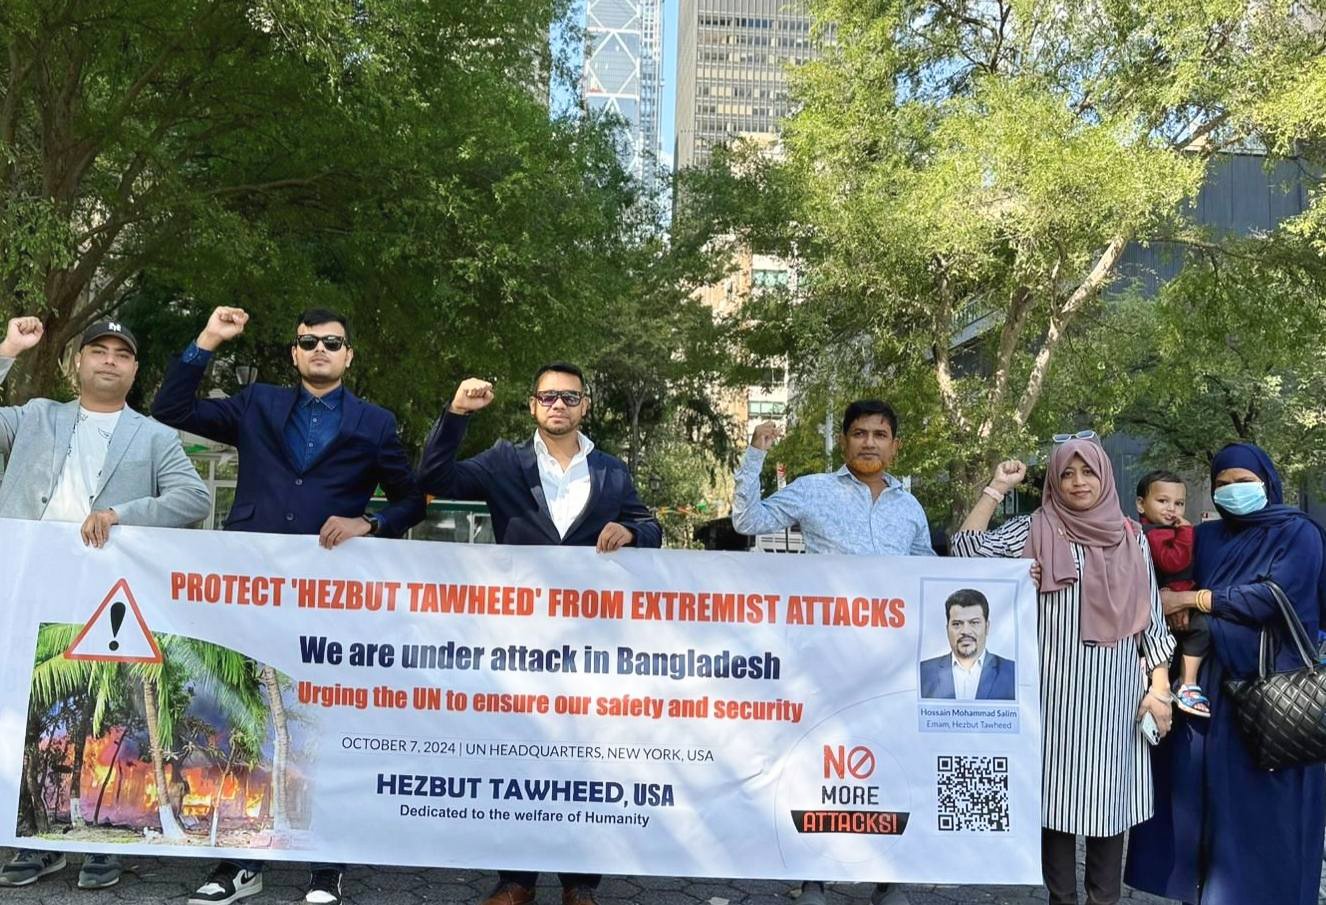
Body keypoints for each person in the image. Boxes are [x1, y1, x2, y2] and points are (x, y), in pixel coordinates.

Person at [152, 306, 425, 905]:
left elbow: (412, 500)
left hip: (329, 594)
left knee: (320, 719)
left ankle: (326, 865)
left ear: (349, 355)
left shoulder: (375, 423)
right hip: (248, 586)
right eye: (308, 342)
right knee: (238, 715)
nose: (320, 349)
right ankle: (234, 863)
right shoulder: (257, 404)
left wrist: (370, 522)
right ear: (295, 352)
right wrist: (207, 341)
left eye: (333, 342)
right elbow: (170, 410)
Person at [419, 363, 661, 905]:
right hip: (518, 639)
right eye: (549, 396)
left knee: (587, 759)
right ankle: (516, 881)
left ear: (585, 405)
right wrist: (456, 414)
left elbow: (651, 526)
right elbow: (435, 480)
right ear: (533, 405)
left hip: (591, 643)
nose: (559, 405)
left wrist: (632, 530)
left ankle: (580, 884)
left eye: (569, 397)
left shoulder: (612, 471)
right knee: (520, 755)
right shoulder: (505, 460)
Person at [0, 316, 210, 890]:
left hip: (105, 594)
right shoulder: (35, 416)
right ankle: (31, 838)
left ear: (135, 370)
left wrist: (121, 515)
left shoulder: (154, 436)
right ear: (77, 362)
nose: (110, 360)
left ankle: (99, 838)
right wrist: (9, 349)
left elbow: (193, 496)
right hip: (24, 582)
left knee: (105, 711)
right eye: (99, 350)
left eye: (123, 353)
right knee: (29, 711)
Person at [951, 436, 1174, 905]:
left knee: (1110, 805)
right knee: (1055, 802)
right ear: (1053, 479)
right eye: (1067, 473)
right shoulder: (1035, 527)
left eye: (1087, 472)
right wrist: (997, 486)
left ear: (1104, 476)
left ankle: (1104, 899)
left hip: (1116, 695)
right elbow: (965, 550)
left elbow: (1151, 620)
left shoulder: (1130, 535)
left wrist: (1159, 687)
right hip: (1052, 693)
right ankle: (1061, 900)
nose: (1077, 482)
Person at [731, 399, 931, 905]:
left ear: (894, 444)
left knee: (888, 766)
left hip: (890, 663)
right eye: (859, 433)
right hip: (824, 660)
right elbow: (747, 520)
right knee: (822, 766)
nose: (869, 442)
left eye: (879, 434)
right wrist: (756, 453)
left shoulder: (910, 505)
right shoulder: (813, 490)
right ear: (844, 441)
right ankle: (813, 877)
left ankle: (890, 879)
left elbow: (927, 571)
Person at [1125, 443, 1326, 905]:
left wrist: (1197, 602)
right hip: (1206, 695)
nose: (1233, 491)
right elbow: (1172, 582)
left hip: (1272, 695)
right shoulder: (1208, 537)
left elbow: (1276, 599)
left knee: (1271, 820)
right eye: (1222, 485)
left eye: (1243, 482)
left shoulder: (1299, 533)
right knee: (1199, 812)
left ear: (1267, 482)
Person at [1134, 470, 1209, 717]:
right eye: (1162, 501)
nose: (1172, 509)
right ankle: (1188, 683)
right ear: (1141, 504)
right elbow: (1173, 562)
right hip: (1156, 613)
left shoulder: (1158, 530)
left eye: (1179, 503)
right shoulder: (1151, 534)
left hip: (1167, 606)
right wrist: (1187, 532)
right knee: (1201, 629)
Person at [919, 588, 1016, 700]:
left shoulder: (1012, 672)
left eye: (974, 623)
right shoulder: (923, 672)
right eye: (957, 624)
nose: (965, 631)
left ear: (987, 627)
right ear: (947, 629)